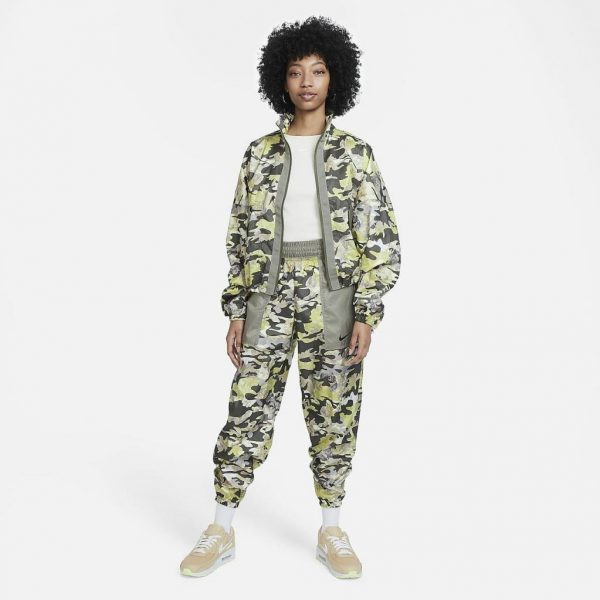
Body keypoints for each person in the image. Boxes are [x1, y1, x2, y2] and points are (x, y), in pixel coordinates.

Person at [180, 15, 401, 579]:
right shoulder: (259, 153)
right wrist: (237, 307)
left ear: (335, 78)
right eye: (297, 71)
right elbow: (238, 235)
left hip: (335, 298)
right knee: (247, 410)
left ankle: (332, 529)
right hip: (267, 297)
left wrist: (367, 311)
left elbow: (381, 238)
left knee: (334, 414)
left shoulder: (355, 154)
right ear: (280, 79)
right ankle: (221, 528)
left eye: (318, 71)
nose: (307, 82)